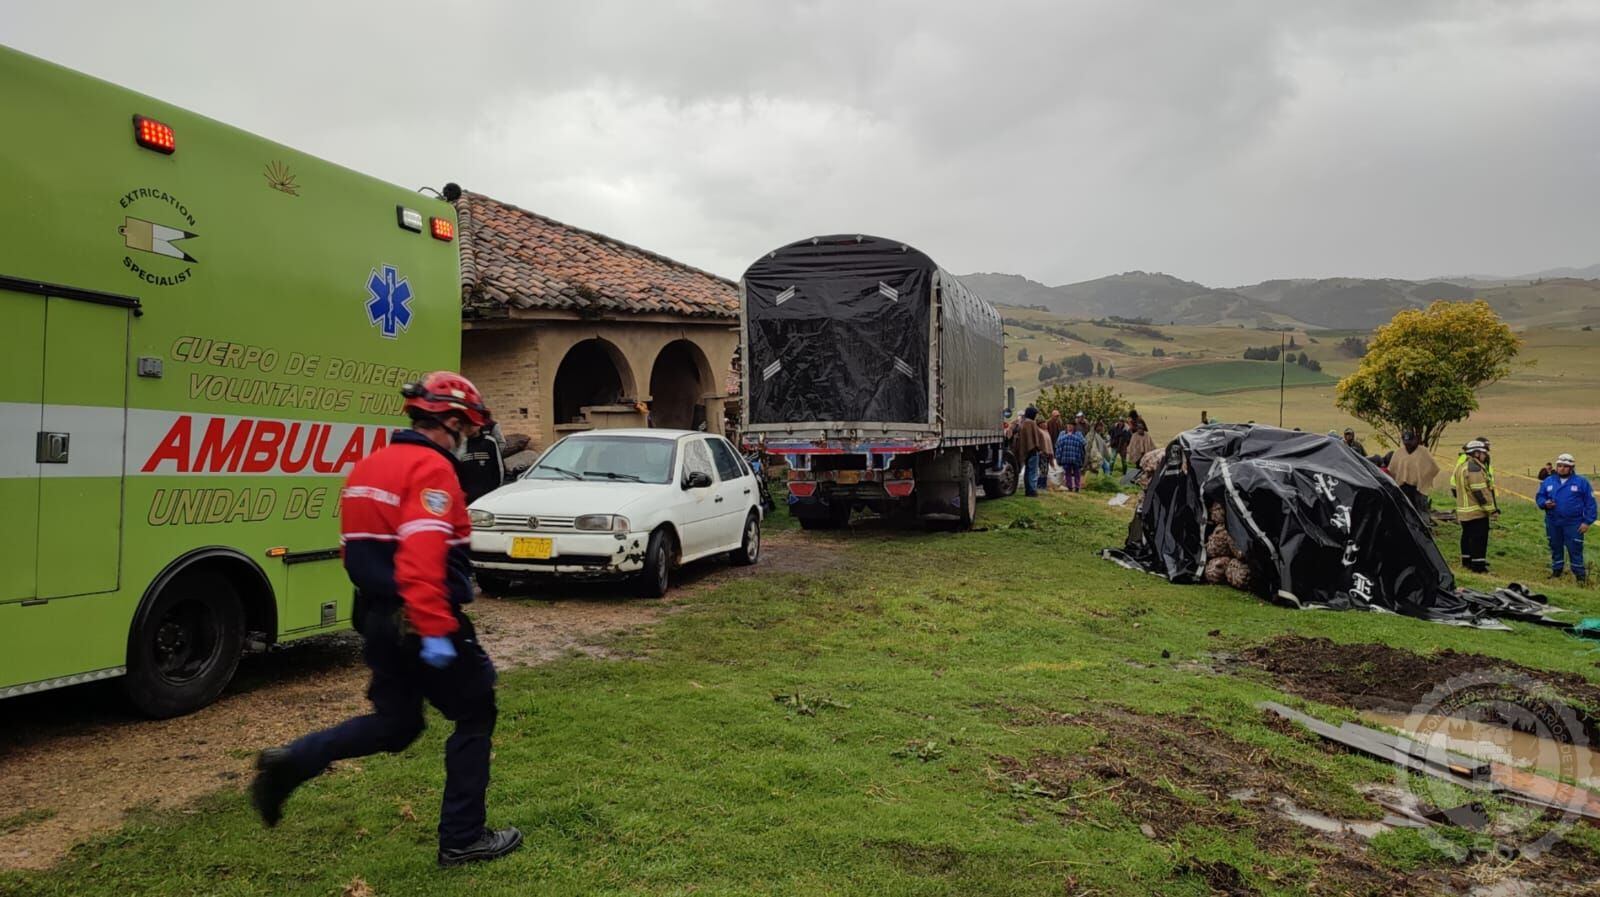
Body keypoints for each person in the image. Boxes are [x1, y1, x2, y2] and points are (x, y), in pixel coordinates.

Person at [250, 372, 522, 867]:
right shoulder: (432, 471)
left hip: (377, 616)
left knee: (396, 725)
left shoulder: (369, 466)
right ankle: (463, 838)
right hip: (421, 618)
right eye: (467, 430)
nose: (467, 441)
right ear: (454, 422)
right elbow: (421, 561)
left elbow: (352, 550)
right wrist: (436, 630)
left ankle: (291, 763)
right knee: (475, 713)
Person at [1539, 453, 1596, 583]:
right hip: (1553, 521)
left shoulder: (1581, 482)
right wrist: (1544, 503)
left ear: (1571, 468)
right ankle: (1557, 571)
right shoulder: (1549, 481)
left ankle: (1580, 577)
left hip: (1573, 523)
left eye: (1565, 466)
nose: (1562, 468)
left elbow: (1590, 503)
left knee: (1575, 548)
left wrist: (1587, 522)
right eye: (1559, 466)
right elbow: (1540, 496)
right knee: (1555, 546)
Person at [1451, 440, 1496, 573]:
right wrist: (1491, 510)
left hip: (1464, 511)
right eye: (1483, 453)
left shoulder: (1462, 466)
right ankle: (1478, 566)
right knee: (1479, 539)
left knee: (1467, 537)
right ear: (1476, 453)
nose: (1485, 455)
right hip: (1476, 511)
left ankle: (1467, 562)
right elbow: (1479, 492)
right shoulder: (1474, 468)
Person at [1386, 429, 1439, 516]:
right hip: (1403, 488)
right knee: (1405, 512)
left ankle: (1423, 528)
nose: (1408, 445)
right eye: (1406, 443)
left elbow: (1433, 468)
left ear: (1415, 440)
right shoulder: (1399, 453)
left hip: (1419, 489)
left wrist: (1423, 480)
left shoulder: (1423, 452)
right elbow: (1392, 470)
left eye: (1410, 442)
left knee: (1421, 512)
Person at [458, 428, 505, 505]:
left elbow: (499, 468)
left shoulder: (489, 442)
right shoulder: (460, 444)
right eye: (465, 425)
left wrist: (496, 490)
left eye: (471, 424)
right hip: (467, 495)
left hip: (488, 494)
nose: (468, 428)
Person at [1012, 406, 1051, 498]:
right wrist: (1042, 447)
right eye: (1035, 414)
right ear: (1032, 414)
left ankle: (1028, 490)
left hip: (1025, 450)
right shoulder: (1031, 423)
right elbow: (1038, 436)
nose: (1036, 416)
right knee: (1033, 471)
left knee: (1027, 471)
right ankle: (1032, 491)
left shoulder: (1023, 423)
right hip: (1033, 451)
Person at [1055, 422, 1087, 492]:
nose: (1069, 427)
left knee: (1075, 473)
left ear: (1074, 427)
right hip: (1070, 457)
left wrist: (1058, 458)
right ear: (1066, 426)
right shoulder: (1063, 433)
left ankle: (1075, 486)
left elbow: (1084, 443)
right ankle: (1072, 487)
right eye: (1068, 425)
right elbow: (1058, 444)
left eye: (1071, 426)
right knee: (1069, 473)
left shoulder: (1078, 434)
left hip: (1072, 457)